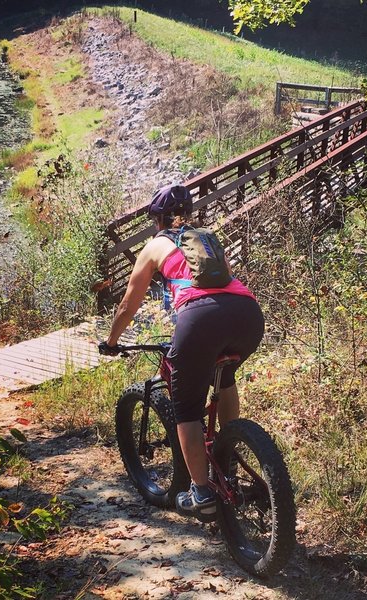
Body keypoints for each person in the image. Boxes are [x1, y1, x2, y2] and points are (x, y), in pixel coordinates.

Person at [99, 184, 264, 521]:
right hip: (247, 313)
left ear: (157, 219)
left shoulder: (155, 245)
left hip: (200, 319)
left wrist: (112, 340)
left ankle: (202, 493)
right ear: (188, 214)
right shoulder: (207, 239)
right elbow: (221, 284)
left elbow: (130, 302)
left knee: (186, 409)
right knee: (225, 375)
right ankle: (228, 453)